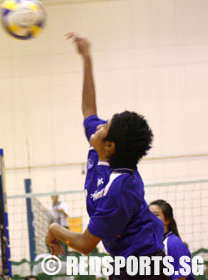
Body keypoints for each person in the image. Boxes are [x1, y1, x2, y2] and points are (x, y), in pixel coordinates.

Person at [46, 33, 169, 279]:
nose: (97, 126)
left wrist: (54, 229)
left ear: (110, 145)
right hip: (126, 263)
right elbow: (88, 109)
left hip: (144, 268)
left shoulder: (121, 189)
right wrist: (86, 58)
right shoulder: (104, 149)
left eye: (104, 127)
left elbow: (85, 244)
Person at [149, 200, 195, 280]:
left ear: (167, 220)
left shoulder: (173, 243)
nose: (151, 218)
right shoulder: (149, 243)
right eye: (148, 215)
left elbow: (181, 278)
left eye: (156, 215)